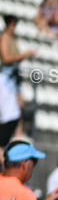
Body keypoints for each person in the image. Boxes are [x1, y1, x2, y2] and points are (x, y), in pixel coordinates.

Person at [0, 16, 32, 147]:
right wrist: (24, 55)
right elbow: (6, 58)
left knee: (19, 106)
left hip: (13, 76)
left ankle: (17, 134)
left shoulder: (12, 38)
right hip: (7, 77)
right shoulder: (5, 38)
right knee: (12, 108)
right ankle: (12, 136)